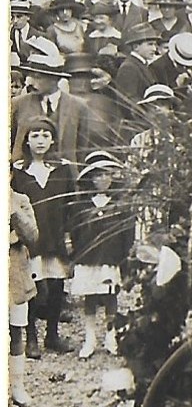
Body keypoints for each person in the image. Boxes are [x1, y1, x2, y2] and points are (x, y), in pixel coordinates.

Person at [12, 117, 76, 358]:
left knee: (57, 285)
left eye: (45, 135)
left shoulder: (62, 169)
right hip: (30, 241)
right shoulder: (18, 171)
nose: (40, 140)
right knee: (33, 291)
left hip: (55, 237)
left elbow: (71, 204)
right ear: (26, 140)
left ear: (53, 140)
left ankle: (52, 334)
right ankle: (31, 338)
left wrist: (70, 235)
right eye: (35, 135)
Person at [67, 150, 132, 359]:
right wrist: (77, 256)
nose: (102, 179)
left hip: (110, 259)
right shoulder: (81, 205)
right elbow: (75, 233)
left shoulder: (120, 205)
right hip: (88, 260)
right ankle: (90, 337)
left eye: (107, 174)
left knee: (110, 295)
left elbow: (127, 234)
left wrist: (124, 258)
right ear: (89, 178)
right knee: (90, 297)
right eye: (97, 175)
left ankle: (111, 336)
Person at [9, 190, 40, 407]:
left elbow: (32, 236)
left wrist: (13, 213)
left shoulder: (20, 200)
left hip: (15, 276)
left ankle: (18, 388)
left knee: (16, 331)